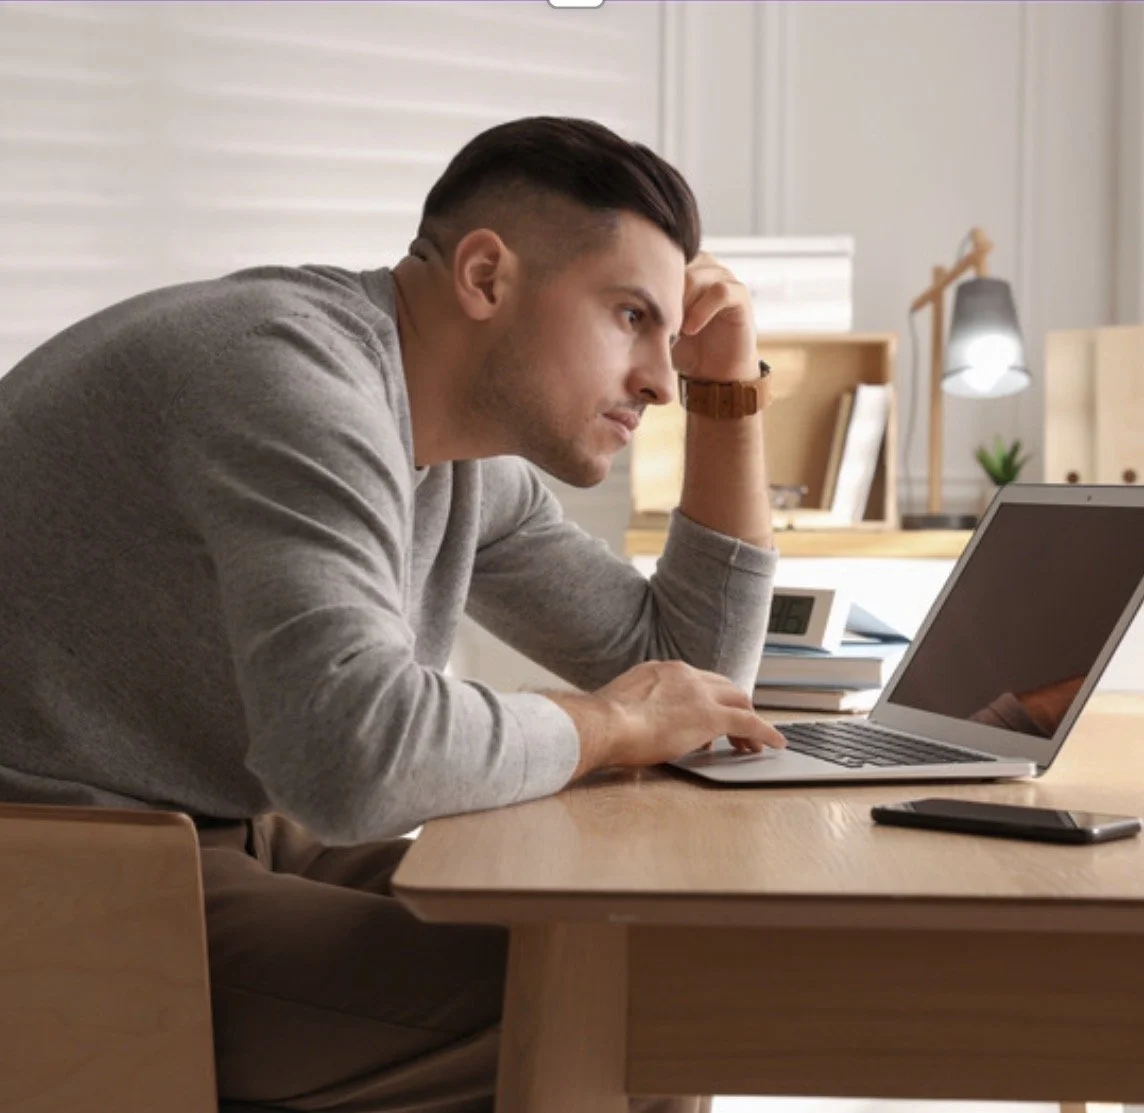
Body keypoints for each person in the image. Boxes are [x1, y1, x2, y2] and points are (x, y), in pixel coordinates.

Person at [0, 116, 784, 1112]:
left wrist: (731, 394)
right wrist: (610, 723)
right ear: (487, 277)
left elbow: (696, 680)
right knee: (628, 1014)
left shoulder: (449, 455)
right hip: (49, 865)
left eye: (672, 344)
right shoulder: (289, 381)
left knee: (618, 952)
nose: (659, 380)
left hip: (206, 825)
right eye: (631, 316)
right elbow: (351, 752)